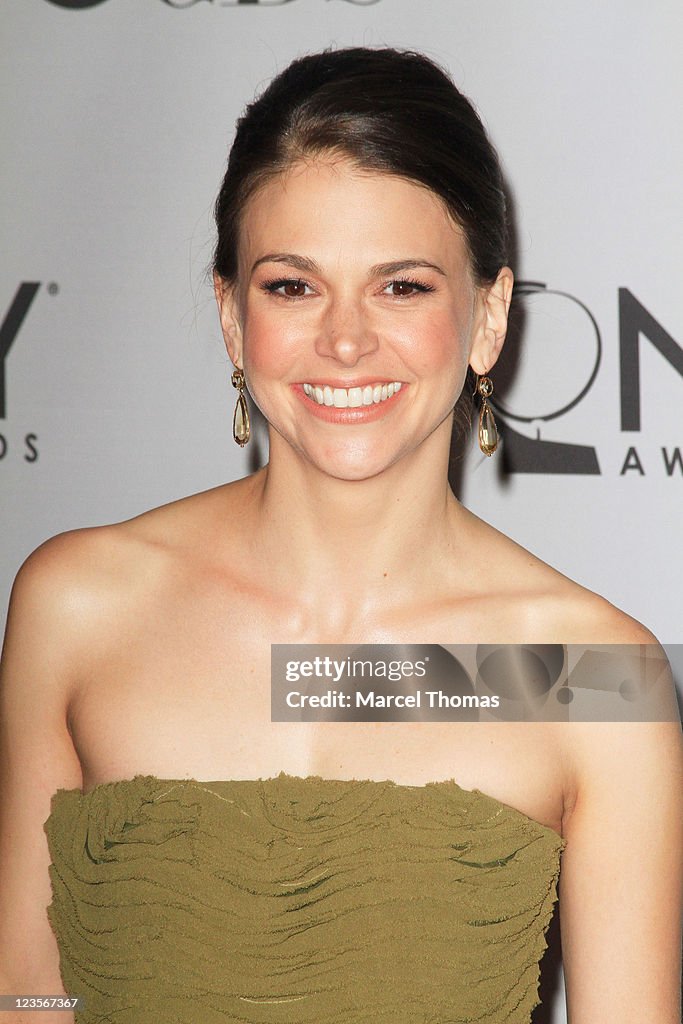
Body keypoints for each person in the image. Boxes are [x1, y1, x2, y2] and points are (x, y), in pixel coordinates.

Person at [0, 46, 681, 1024]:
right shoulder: (79, 604)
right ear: (232, 317)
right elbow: (25, 993)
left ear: (487, 317)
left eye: (401, 286)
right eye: (292, 286)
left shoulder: (584, 670)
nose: (346, 340)